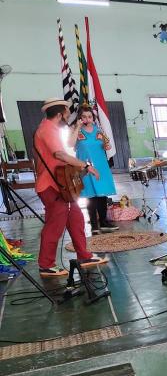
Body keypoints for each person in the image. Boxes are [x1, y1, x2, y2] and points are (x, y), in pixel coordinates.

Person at [32, 98, 106, 277]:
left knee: (75, 218)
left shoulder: (53, 128)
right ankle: (46, 265)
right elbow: (60, 155)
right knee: (54, 225)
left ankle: (84, 255)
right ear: (59, 114)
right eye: (66, 112)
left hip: (62, 185)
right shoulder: (47, 129)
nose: (68, 115)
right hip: (50, 186)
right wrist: (85, 165)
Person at [69, 105, 118, 234]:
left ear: (93, 117)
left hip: (101, 165)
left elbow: (106, 145)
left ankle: (104, 222)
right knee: (91, 196)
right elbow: (70, 144)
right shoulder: (76, 131)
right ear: (80, 118)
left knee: (102, 195)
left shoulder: (98, 130)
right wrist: (78, 127)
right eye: (84, 116)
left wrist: (107, 145)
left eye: (89, 116)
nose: (87, 119)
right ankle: (94, 225)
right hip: (85, 167)